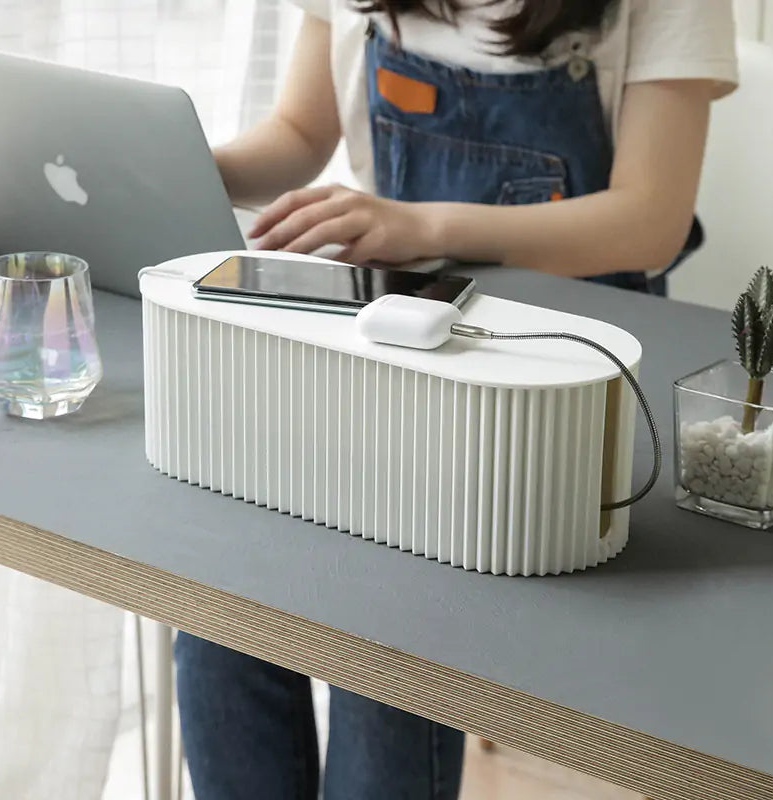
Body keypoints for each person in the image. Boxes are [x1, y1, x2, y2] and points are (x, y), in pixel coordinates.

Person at [175, 1, 738, 798]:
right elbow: (302, 134)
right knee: (218, 610)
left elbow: (649, 221)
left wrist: (421, 224)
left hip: (553, 387)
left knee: (384, 652)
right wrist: (180, 161)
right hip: (391, 355)